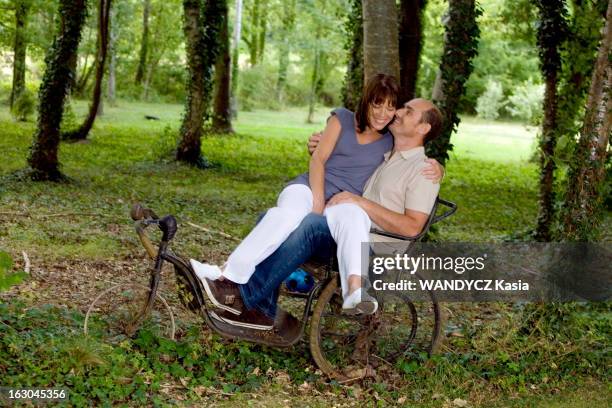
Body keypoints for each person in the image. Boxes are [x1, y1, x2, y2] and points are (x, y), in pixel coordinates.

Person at [189, 75, 443, 323]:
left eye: (405, 111)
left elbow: (412, 225)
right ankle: (258, 306)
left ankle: (244, 297)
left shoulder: (422, 169)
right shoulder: (391, 150)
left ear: (423, 128)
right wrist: (320, 148)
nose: (396, 113)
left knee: (309, 225)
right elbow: (336, 155)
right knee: (271, 217)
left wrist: (436, 171)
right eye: (395, 107)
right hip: (344, 222)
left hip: (371, 245)